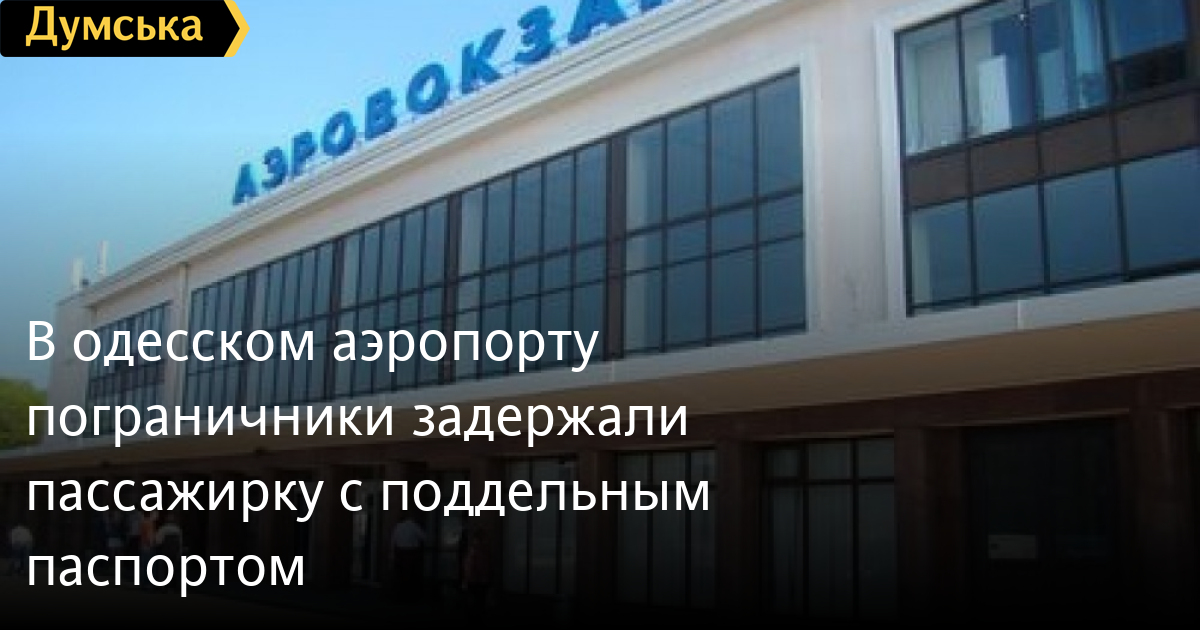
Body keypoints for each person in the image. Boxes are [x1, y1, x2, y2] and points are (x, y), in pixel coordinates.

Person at [390, 513, 426, 600]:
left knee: (400, 575)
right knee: (411, 575)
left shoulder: (398, 527)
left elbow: (393, 541)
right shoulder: (414, 526)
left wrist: (392, 555)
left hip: (400, 552)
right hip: (411, 553)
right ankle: (410, 595)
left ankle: (400, 595)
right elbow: (424, 537)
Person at [460, 526, 491, 619]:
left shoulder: (474, 550)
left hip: (475, 581)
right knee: (478, 604)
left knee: (475, 604)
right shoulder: (480, 550)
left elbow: (469, 566)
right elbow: (477, 566)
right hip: (478, 581)